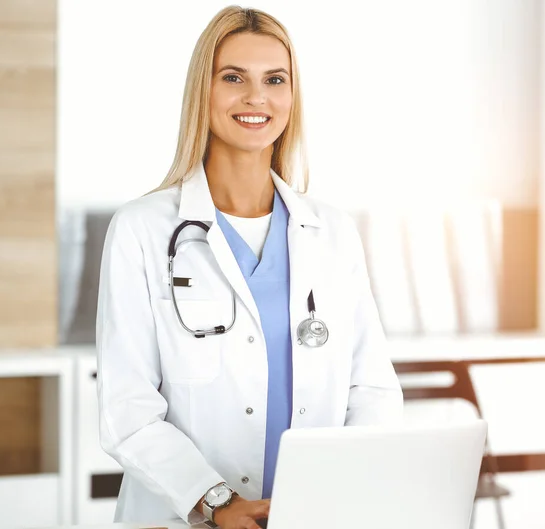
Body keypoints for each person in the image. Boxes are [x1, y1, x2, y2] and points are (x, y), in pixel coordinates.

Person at [96, 5, 403, 529]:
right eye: (233, 77)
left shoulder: (332, 232)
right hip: (184, 516)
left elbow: (371, 389)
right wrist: (215, 503)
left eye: (274, 80)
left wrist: (346, 488)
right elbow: (127, 410)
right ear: (204, 91)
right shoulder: (142, 229)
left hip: (312, 514)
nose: (256, 97)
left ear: (292, 96)